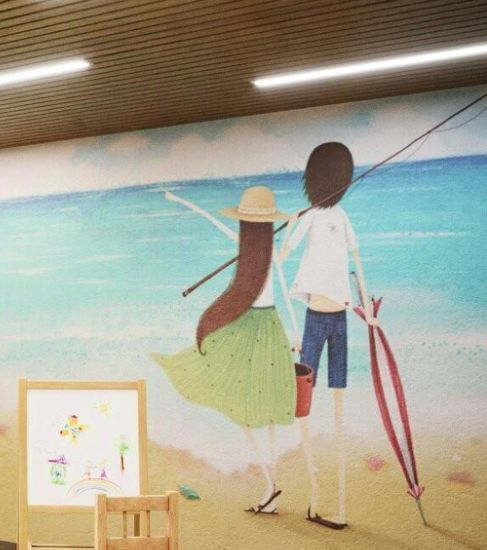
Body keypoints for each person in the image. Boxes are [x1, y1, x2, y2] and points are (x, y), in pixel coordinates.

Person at [154, 185, 296, 515]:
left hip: (252, 326)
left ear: (245, 223)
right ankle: (271, 487)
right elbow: (285, 289)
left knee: (246, 407)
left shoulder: (253, 249)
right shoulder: (266, 250)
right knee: (266, 413)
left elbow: (215, 223)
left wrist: (182, 201)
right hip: (270, 326)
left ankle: (271, 486)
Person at [278, 141, 377, 531]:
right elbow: (282, 259)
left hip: (338, 320)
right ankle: (316, 493)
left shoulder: (335, 216)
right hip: (316, 320)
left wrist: (367, 310)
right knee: (304, 402)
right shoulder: (312, 217)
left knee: (336, 407)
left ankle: (337, 506)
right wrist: (291, 226)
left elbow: (356, 264)